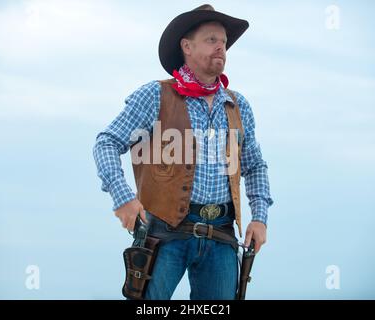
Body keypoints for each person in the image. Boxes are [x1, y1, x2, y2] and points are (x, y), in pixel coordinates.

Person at [93, 4, 274, 300]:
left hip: (222, 234)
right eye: (212, 40)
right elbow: (106, 142)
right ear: (187, 47)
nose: (221, 48)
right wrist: (123, 198)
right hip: (164, 234)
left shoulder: (238, 105)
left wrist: (260, 218)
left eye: (224, 43)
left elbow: (255, 166)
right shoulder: (155, 95)